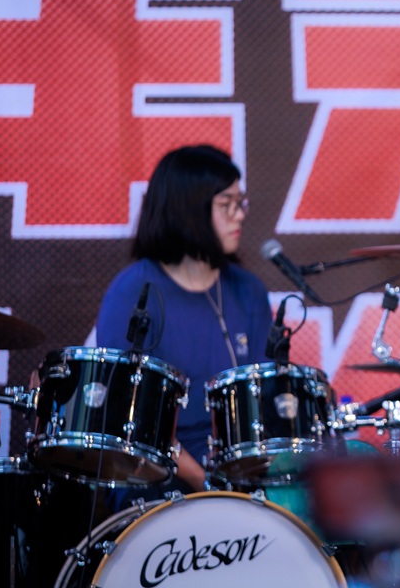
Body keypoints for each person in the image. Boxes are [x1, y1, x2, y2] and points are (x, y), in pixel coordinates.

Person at [95, 144, 273, 496]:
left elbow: (265, 404)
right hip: (156, 484)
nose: (239, 215)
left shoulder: (248, 289)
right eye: (226, 204)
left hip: (241, 479)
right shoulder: (133, 291)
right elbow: (129, 417)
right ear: (188, 209)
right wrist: (207, 485)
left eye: (241, 203)